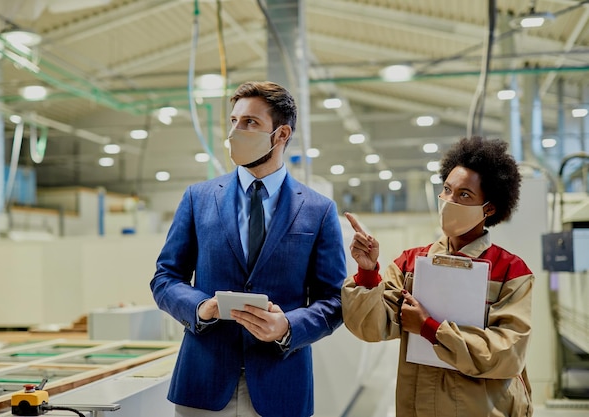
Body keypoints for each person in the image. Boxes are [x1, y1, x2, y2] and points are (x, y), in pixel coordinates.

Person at [150, 81, 346, 417]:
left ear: (281, 134)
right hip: (203, 383)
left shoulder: (319, 210)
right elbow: (165, 277)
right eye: (234, 121)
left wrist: (287, 326)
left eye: (250, 123)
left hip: (280, 383)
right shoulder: (199, 199)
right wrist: (201, 308)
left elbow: (335, 298)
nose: (236, 132)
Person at [341, 136, 534, 417]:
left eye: (464, 195)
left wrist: (429, 328)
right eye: (446, 189)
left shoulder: (510, 272)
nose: (448, 201)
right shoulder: (411, 263)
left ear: (489, 208)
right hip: (418, 407)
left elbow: (505, 354)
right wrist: (368, 272)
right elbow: (372, 327)